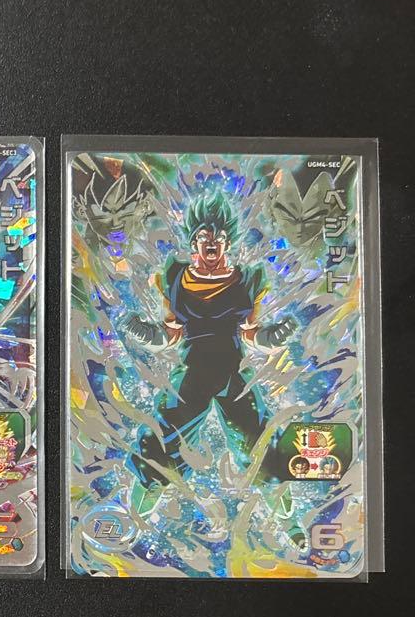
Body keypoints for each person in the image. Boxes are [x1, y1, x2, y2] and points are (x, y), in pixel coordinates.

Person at [125, 192, 297, 509]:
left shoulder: (248, 279)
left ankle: (285, 513)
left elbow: (252, 333)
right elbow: (170, 333)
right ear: (194, 243)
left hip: (233, 373)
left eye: (218, 237)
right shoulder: (174, 276)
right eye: (204, 237)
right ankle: (137, 508)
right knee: (164, 439)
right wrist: (144, 332)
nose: (212, 243)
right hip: (192, 373)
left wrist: (275, 337)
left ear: (228, 242)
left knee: (259, 439)